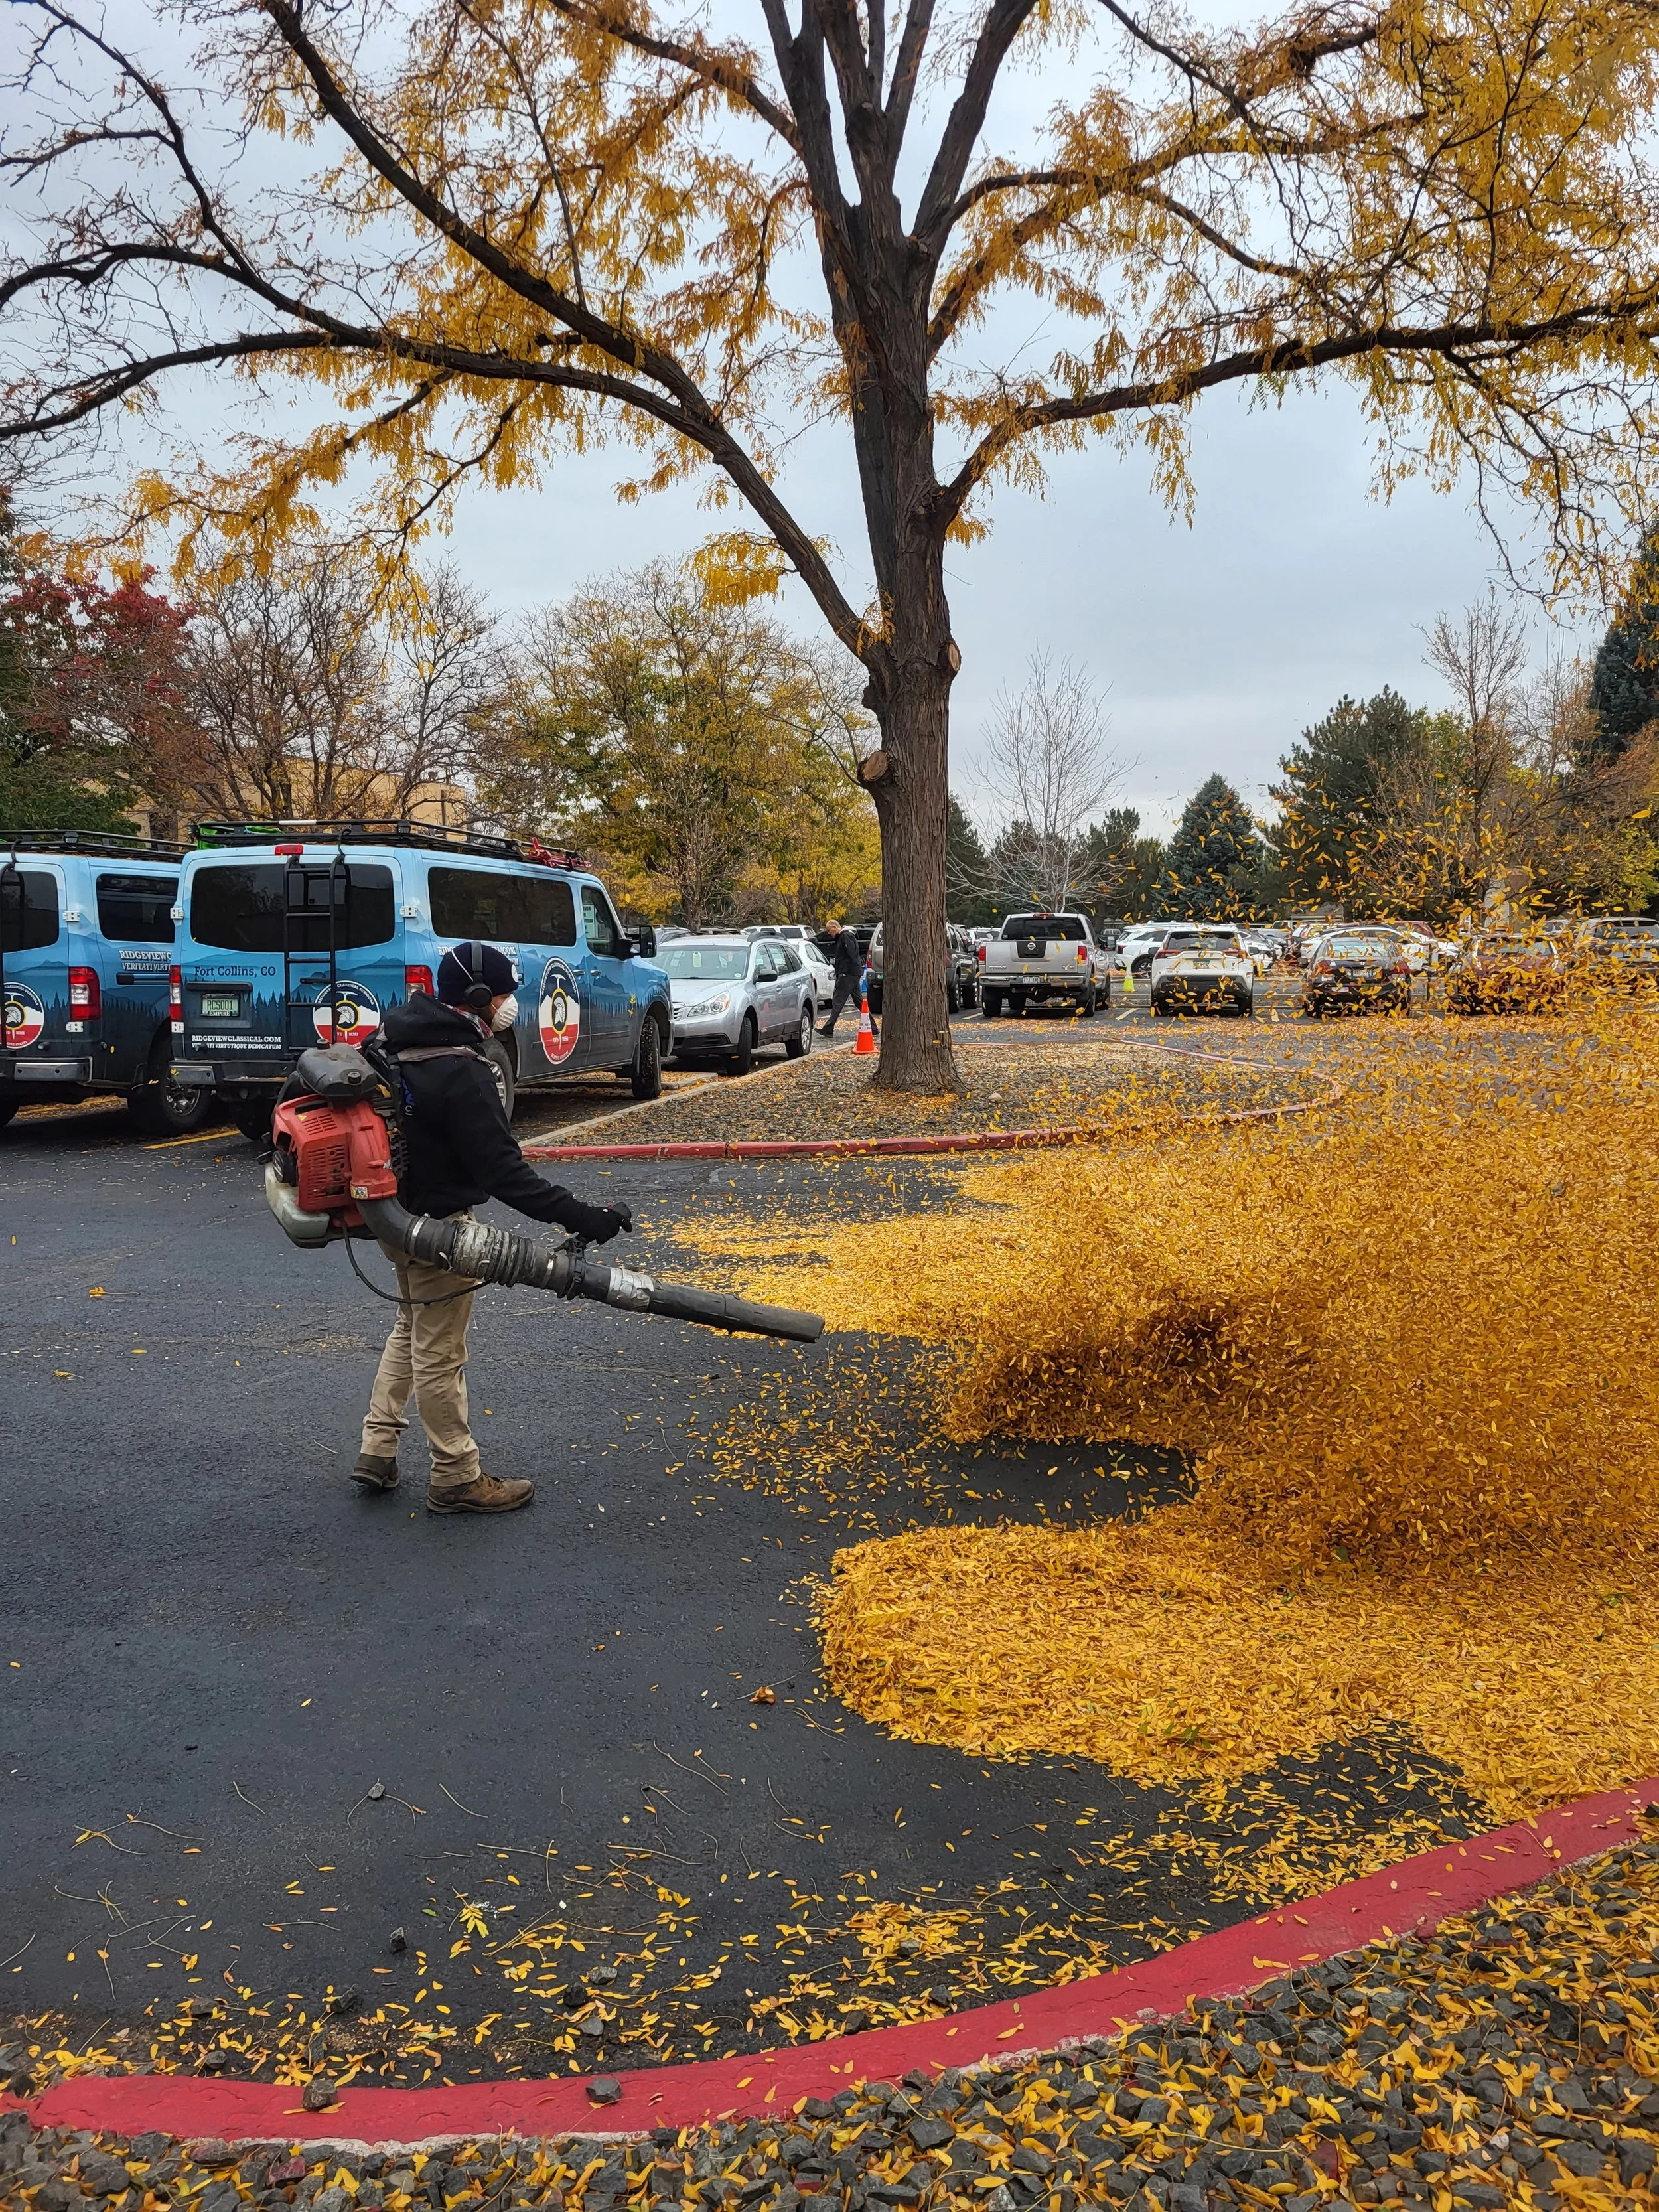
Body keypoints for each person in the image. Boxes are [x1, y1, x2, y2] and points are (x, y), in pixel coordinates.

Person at [352, 940, 632, 1516]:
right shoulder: (462, 1069)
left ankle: (377, 1447)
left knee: (411, 1326)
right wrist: (588, 1219)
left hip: (390, 1217)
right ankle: (456, 1476)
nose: (510, 1004)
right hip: (437, 1227)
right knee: (439, 1352)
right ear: (479, 999)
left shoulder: (395, 1038)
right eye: (505, 993)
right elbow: (507, 1174)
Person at [820, 917, 876, 1039]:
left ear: (835, 928)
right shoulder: (847, 936)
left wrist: (844, 972)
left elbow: (851, 955)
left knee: (838, 1001)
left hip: (848, 975)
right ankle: (873, 1027)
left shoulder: (845, 937)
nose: (829, 934)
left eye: (830, 931)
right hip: (853, 973)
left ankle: (829, 1028)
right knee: (859, 1001)